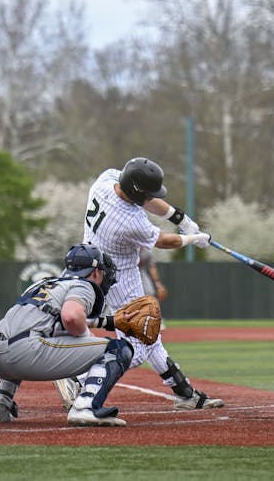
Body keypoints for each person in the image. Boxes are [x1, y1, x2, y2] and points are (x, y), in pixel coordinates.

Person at [54, 157, 224, 410]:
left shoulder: (105, 180)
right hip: (119, 276)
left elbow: (145, 199)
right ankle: (79, 376)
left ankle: (185, 393)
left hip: (88, 264)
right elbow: (163, 241)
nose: (150, 197)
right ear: (136, 192)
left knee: (149, 333)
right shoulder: (130, 221)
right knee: (137, 347)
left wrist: (181, 218)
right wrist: (192, 238)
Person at [0, 243, 133, 427]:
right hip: (24, 353)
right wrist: (87, 336)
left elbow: (52, 321)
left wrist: (107, 321)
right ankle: (86, 407)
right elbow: (70, 317)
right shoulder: (84, 285)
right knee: (118, 349)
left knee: (20, 336)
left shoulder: (44, 283)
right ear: (95, 272)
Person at [139, 246, 168, 330]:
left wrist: (157, 283)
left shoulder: (147, 252)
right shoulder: (128, 247)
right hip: (125, 272)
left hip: (141, 272)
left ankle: (156, 320)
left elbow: (152, 267)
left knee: (150, 294)